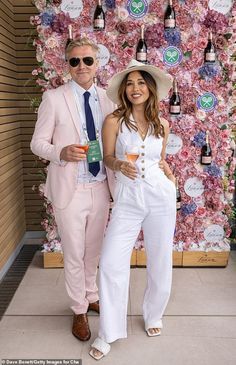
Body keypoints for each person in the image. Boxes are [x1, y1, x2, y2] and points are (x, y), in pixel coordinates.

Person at [89, 59, 177, 360]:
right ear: (123, 90)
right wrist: (119, 164)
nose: (135, 88)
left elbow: (159, 159)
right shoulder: (113, 121)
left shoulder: (162, 124)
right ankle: (108, 332)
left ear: (150, 88)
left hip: (160, 197)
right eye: (129, 83)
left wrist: (170, 174)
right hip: (128, 200)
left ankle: (153, 314)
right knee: (112, 262)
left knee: (160, 259)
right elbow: (108, 159)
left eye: (140, 82)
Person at [30, 38, 116, 342]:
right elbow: (36, 143)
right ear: (67, 65)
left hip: (100, 186)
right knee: (74, 252)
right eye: (74, 61)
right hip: (70, 188)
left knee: (93, 250)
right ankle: (79, 308)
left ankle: (92, 295)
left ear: (97, 63)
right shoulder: (53, 98)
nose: (81, 66)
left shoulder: (108, 100)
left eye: (87, 61)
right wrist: (60, 152)